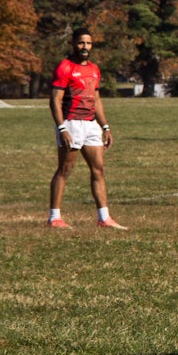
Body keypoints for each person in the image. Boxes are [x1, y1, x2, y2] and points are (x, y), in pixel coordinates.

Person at [48, 27, 126, 230]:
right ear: (74, 43)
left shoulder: (94, 69)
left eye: (89, 43)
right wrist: (62, 128)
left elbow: (96, 99)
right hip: (71, 123)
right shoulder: (65, 67)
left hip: (91, 124)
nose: (85, 47)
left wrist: (105, 126)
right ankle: (54, 218)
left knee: (99, 169)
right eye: (81, 42)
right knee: (65, 169)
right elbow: (55, 100)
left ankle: (104, 218)